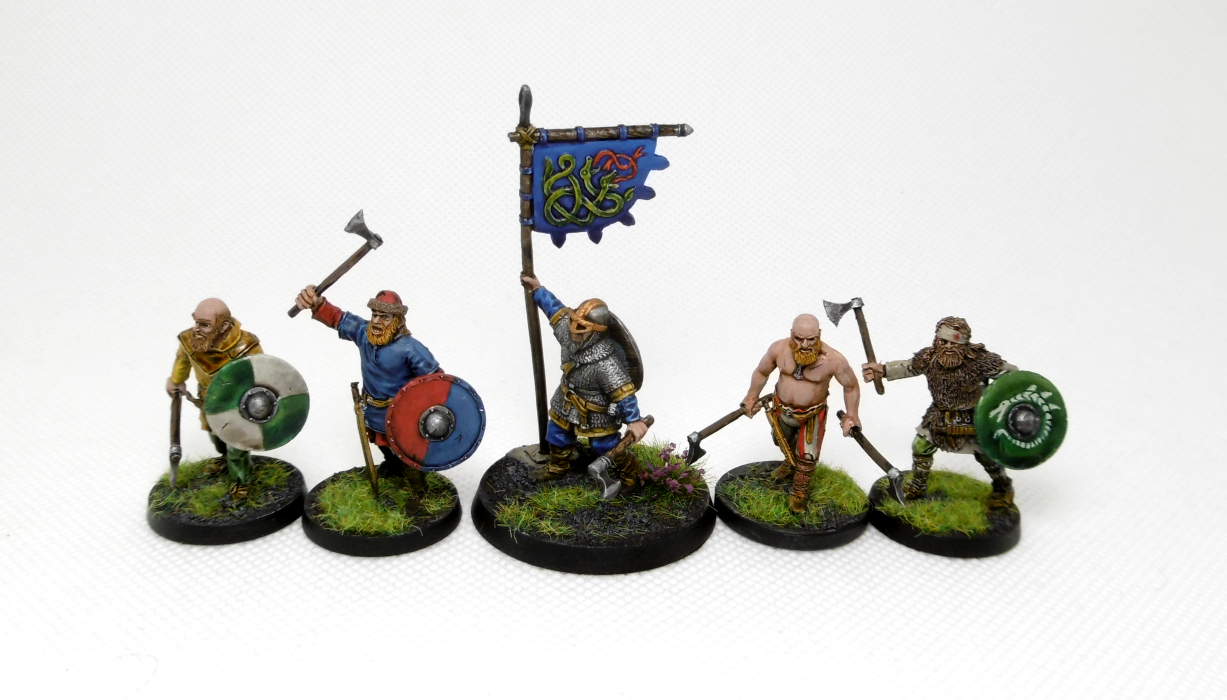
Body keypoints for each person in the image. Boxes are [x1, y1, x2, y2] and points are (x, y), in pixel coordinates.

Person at [296, 284, 439, 512]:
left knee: (407, 454)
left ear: (398, 320)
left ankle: (419, 492)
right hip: (373, 409)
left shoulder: (411, 348)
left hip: (402, 415)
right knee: (382, 443)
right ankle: (392, 466)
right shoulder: (364, 334)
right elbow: (338, 318)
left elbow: (435, 381)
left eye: (385, 317)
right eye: (375, 315)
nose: (377, 321)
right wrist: (316, 303)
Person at [861, 316, 1018, 509]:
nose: (948, 347)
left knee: (986, 455)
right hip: (939, 415)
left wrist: (997, 403)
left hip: (973, 417)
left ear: (964, 343)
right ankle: (917, 486)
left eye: (954, 342)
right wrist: (882, 370)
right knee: (921, 446)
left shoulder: (980, 360)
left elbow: (1012, 376)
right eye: (944, 342)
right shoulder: (929, 358)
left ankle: (1003, 488)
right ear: (937, 340)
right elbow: (909, 367)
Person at [521, 274, 648, 491]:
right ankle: (557, 467)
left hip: (596, 409)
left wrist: (634, 420)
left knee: (603, 445)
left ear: (596, 332)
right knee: (557, 432)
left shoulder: (606, 361)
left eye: (581, 328)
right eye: (573, 323)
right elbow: (554, 309)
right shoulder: (567, 330)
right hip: (566, 399)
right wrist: (538, 289)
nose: (574, 332)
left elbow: (624, 393)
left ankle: (630, 472)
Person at [741, 313, 862, 513]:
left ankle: (799, 493)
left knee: (807, 455)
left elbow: (851, 386)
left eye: (811, 339)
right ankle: (790, 464)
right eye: (799, 338)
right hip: (781, 410)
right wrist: (751, 396)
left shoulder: (834, 360)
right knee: (781, 441)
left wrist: (852, 415)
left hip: (811, 415)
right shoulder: (778, 349)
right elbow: (762, 372)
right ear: (791, 334)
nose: (805, 345)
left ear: (819, 335)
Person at [166, 298, 262, 482]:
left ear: (223, 326)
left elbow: (261, 373)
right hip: (207, 399)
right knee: (217, 439)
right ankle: (226, 461)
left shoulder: (246, 346)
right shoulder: (190, 341)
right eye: (196, 322)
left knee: (236, 445)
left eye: (205, 325)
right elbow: (183, 359)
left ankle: (241, 482)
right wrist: (176, 380)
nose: (196, 329)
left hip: (236, 404)